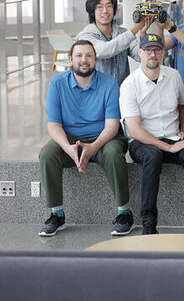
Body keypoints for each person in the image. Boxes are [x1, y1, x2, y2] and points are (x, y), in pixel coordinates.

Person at [39, 40, 133, 237]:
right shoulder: (57, 84)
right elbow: (53, 126)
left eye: (89, 55)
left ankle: (124, 213)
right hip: (70, 138)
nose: (84, 60)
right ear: (71, 59)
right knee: (47, 153)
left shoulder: (109, 83)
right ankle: (57, 214)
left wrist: (92, 147)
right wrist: (68, 148)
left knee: (114, 153)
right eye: (79, 55)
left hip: (104, 138)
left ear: (95, 59)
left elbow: (112, 126)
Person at [120, 34, 184, 235]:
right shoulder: (129, 84)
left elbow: (183, 105)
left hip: (173, 136)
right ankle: (149, 223)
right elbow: (134, 130)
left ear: (163, 52)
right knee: (153, 155)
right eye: (148, 50)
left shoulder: (173, 75)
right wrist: (168, 147)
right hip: (142, 142)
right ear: (139, 53)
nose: (153, 54)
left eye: (157, 50)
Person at [77, 0, 149, 86]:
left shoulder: (122, 33)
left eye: (109, 6)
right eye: (99, 7)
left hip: (121, 92)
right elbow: (105, 50)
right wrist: (135, 29)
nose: (105, 11)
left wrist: (143, 35)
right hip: (98, 93)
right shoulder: (85, 37)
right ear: (92, 11)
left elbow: (140, 56)